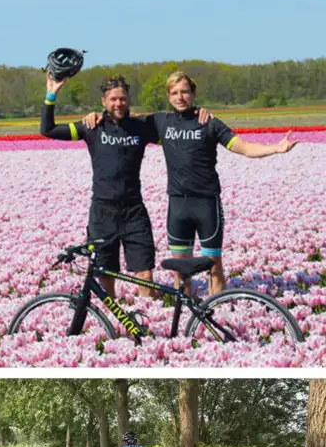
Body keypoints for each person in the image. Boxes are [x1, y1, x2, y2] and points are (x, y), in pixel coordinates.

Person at [82, 71, 298, 294]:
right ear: (168, 96)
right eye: (174, 93)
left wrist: (274, 149)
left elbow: (241, 147)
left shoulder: (209, 123)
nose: (180, 97)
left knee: (214, 268)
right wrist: (96, 115)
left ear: (193, 93)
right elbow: (124, 117)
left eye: (185, 92)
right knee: (181, 271)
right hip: (178, 205)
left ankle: (219, 313)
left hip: (206, 203)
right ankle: (184, 320)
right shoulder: (160, 122)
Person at [42, 73, 160, 299]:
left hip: (134, 210)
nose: (118, 103)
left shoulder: (140, 127)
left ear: (129, 100)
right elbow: (48, 130)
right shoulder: (92, 127)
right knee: (105, 274)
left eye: (123, 99)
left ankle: (149, 321)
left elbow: (174, 132)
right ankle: (111, 326)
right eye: (113, 99)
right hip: (103, 211)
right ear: (104, 102)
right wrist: (51, 95)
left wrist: (198, 114)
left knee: (145, 272)